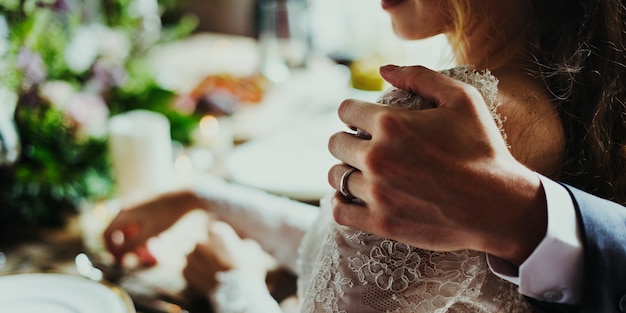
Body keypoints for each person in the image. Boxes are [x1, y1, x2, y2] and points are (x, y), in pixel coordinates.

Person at [103, 0, 626, 312]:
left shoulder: (440, 117)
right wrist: (206, 199)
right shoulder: (575, 93)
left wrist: (233, 282)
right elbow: (358, 260)